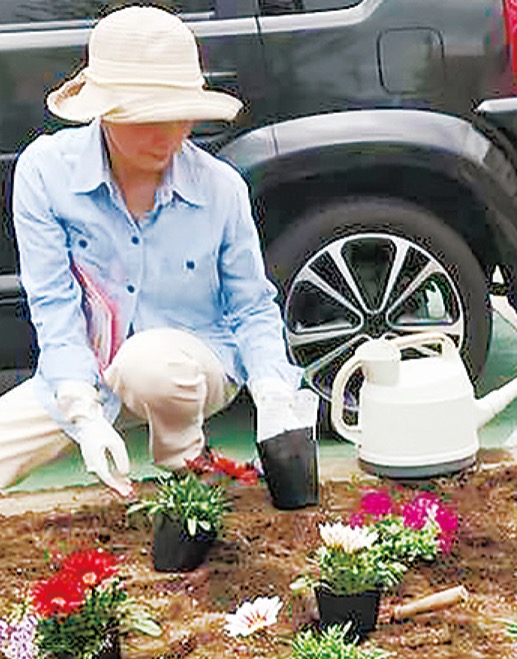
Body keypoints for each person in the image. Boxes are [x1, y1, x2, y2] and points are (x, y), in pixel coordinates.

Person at [0, 4, 317, 508]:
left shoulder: (220, 189)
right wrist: (82, 414)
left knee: (152, 363)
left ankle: (190, 468)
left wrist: (274, 393)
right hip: (93, 371)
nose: (166, 134)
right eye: (146, 117)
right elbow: (54, 305)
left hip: (194, 364)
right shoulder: (46, 173)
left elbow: (251, 306)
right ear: (101, 109)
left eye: (178, 114)